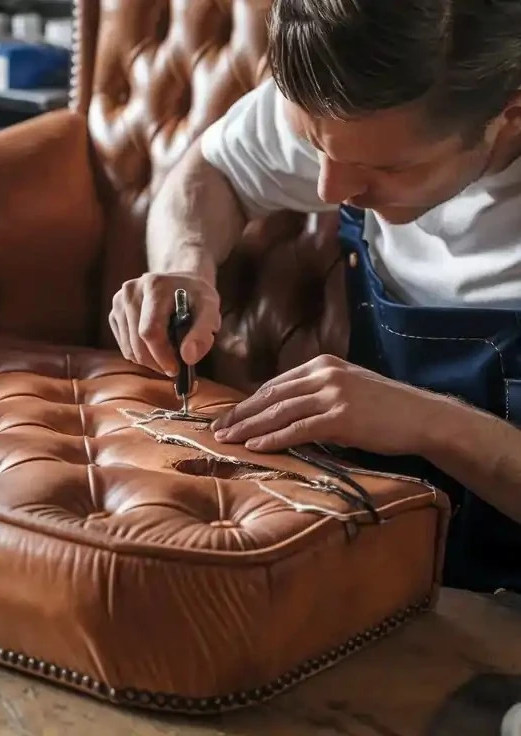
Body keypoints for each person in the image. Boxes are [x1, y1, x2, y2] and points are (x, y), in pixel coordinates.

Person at [108, 0, 521, 593]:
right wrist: (185, 267)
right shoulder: (351, 104)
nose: (330, 188)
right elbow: (207, 174)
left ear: (509, 114)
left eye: (383, 168)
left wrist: (434, 425)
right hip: (380, 566)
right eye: (312, 143)